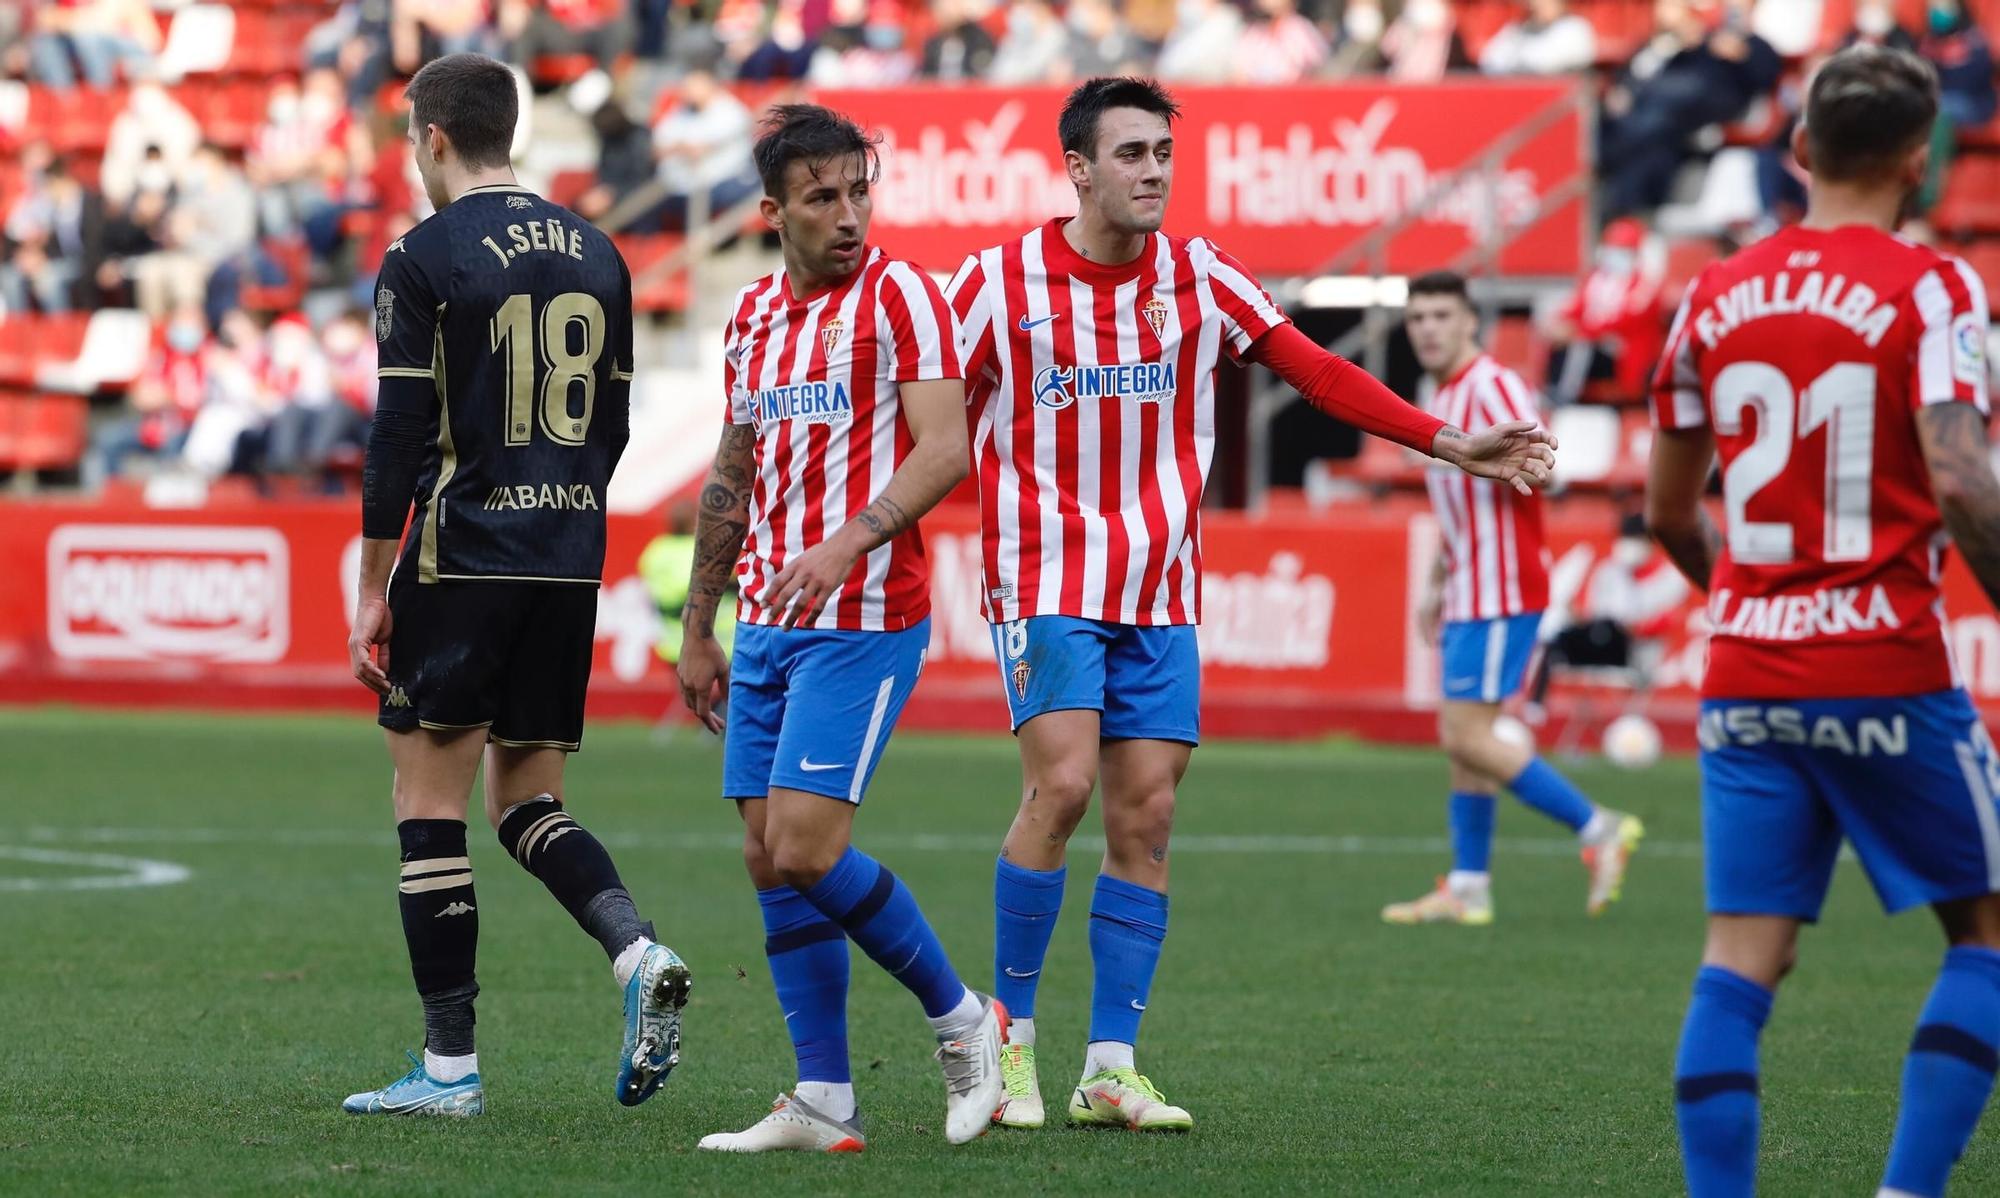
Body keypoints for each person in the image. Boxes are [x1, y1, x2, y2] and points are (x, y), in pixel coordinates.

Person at [944, 77, 1556, 1134]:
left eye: (1161, 155)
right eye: (1129, 154)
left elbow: (1314, 372)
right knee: (1063, 788)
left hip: (1160, 587)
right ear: (1078, 169)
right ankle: (1007, 1039)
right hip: (1043, 577)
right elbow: (923, 402)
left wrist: (1448, 441)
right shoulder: (996, 283)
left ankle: (1109, 1065)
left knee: (1150, 810)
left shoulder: (1200, 275)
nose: (1151, 172)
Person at [1646, 46, 2000, 1198]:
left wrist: (1749, 606)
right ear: (1916, 161)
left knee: (1739, 964)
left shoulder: (1710, 294)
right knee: (1985, 937)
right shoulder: (1936, 287)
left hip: (1744, 668)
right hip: (1884, 666)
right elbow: (1961, 480)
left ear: (1795, 151)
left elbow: (1666, 510)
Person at [341, 52, 690, 1120]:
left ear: (434, 139)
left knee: (427, 802)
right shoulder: (601, 252)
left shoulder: (421, 256)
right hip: (567, 557)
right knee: (528, 800)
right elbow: (617, 421)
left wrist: (371, 585)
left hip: (462, 554)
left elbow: (398, 433)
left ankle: (448, 1069)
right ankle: (636, 951)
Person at [676, 103, 1006, 1154]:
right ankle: (822, 1096)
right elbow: (732, 477)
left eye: (860, 190)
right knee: (767, 858)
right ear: (773, 210)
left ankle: (964, 1021)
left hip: (862, 616)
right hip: (769, 623)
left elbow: (945, 449)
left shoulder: (903, 295)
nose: (850, 213)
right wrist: (698, 626)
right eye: (824, 196)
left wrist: (846, 544)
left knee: (809, 846)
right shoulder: (753, 321)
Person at [1381, 271, 1645, 927]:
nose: (1429, 329)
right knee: (1463, 743)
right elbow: (1458, 503)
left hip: (1502, 588)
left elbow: (1546, 469)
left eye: (1442, 315)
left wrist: (1516, 468)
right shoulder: (1439, 392)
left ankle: (1599, 826)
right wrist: (1436, 584)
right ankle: (1468, 886)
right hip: (1470, 587)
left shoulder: (1492, 385)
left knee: (1464, 733)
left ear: (1472, 322)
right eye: (1418, 318)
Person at [1478, 0, 1598, 76]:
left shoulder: (1575, 28)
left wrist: (1517, 60)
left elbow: (1546, 63)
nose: (1538, 5)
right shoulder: (1517, 29)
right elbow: (1489, 60)